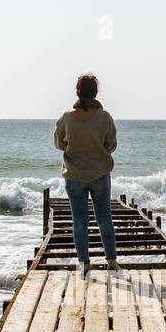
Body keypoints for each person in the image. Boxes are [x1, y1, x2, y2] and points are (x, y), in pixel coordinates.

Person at [54, 74, 118, 275]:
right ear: (96, 92)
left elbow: (58, 143)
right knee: (104, 218)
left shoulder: (67, 117)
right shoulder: (105, 117)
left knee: (80, 221)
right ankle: (111, 261)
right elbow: (112, 145)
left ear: (77, 91)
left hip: (74, 175)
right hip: (100, 174)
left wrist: (74, 146)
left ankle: (84, 263)